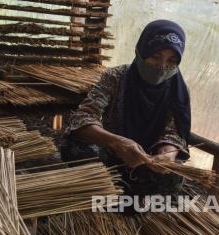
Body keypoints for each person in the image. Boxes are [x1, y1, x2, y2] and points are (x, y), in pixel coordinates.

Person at [62, 19, 191, 198]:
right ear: (141, 50)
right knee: (74, 149)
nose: (162, 67)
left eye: (171, 60)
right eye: (155, 56)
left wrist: (167, 154)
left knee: (174, 176)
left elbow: (175, 132)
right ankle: (113, 190)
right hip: (109, 154)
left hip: (148, 161)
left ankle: (124, 193)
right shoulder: (115, 77)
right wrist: (117, 143)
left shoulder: (177, 91)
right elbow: (83, 117)